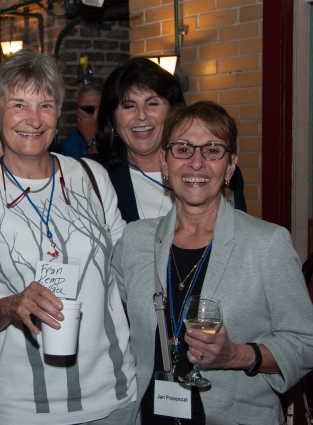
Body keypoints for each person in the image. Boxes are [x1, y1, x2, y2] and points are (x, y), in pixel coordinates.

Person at [0, 47, 137, 424]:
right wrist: (10, 305)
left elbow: (128, 269)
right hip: (25, 407)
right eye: (18, 104)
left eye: (46, 105)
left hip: (115, 394)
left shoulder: (91, 177)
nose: (33, 120)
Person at [113, 100, 313, 424]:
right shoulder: (135, 241)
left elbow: (306, 343)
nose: (196, 163)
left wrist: (237, 355)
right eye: (183, 149)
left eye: (212, 150)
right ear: (164, 162)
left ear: (230, 167)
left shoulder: (267, 244)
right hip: (149, 416)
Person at [94, 57, 246, 223]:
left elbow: (239, 238)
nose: (141, 116)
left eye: (152, 103)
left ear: (173, 110)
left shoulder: (215, 169)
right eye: (129, 106)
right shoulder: (93, 177)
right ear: (113, 119)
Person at [58, 82, 102, 158]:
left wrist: (90, 138)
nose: (86, 115)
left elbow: (101, 168)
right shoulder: (71, 142)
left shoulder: (116, 140)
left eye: (91, 109)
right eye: (83, 109)